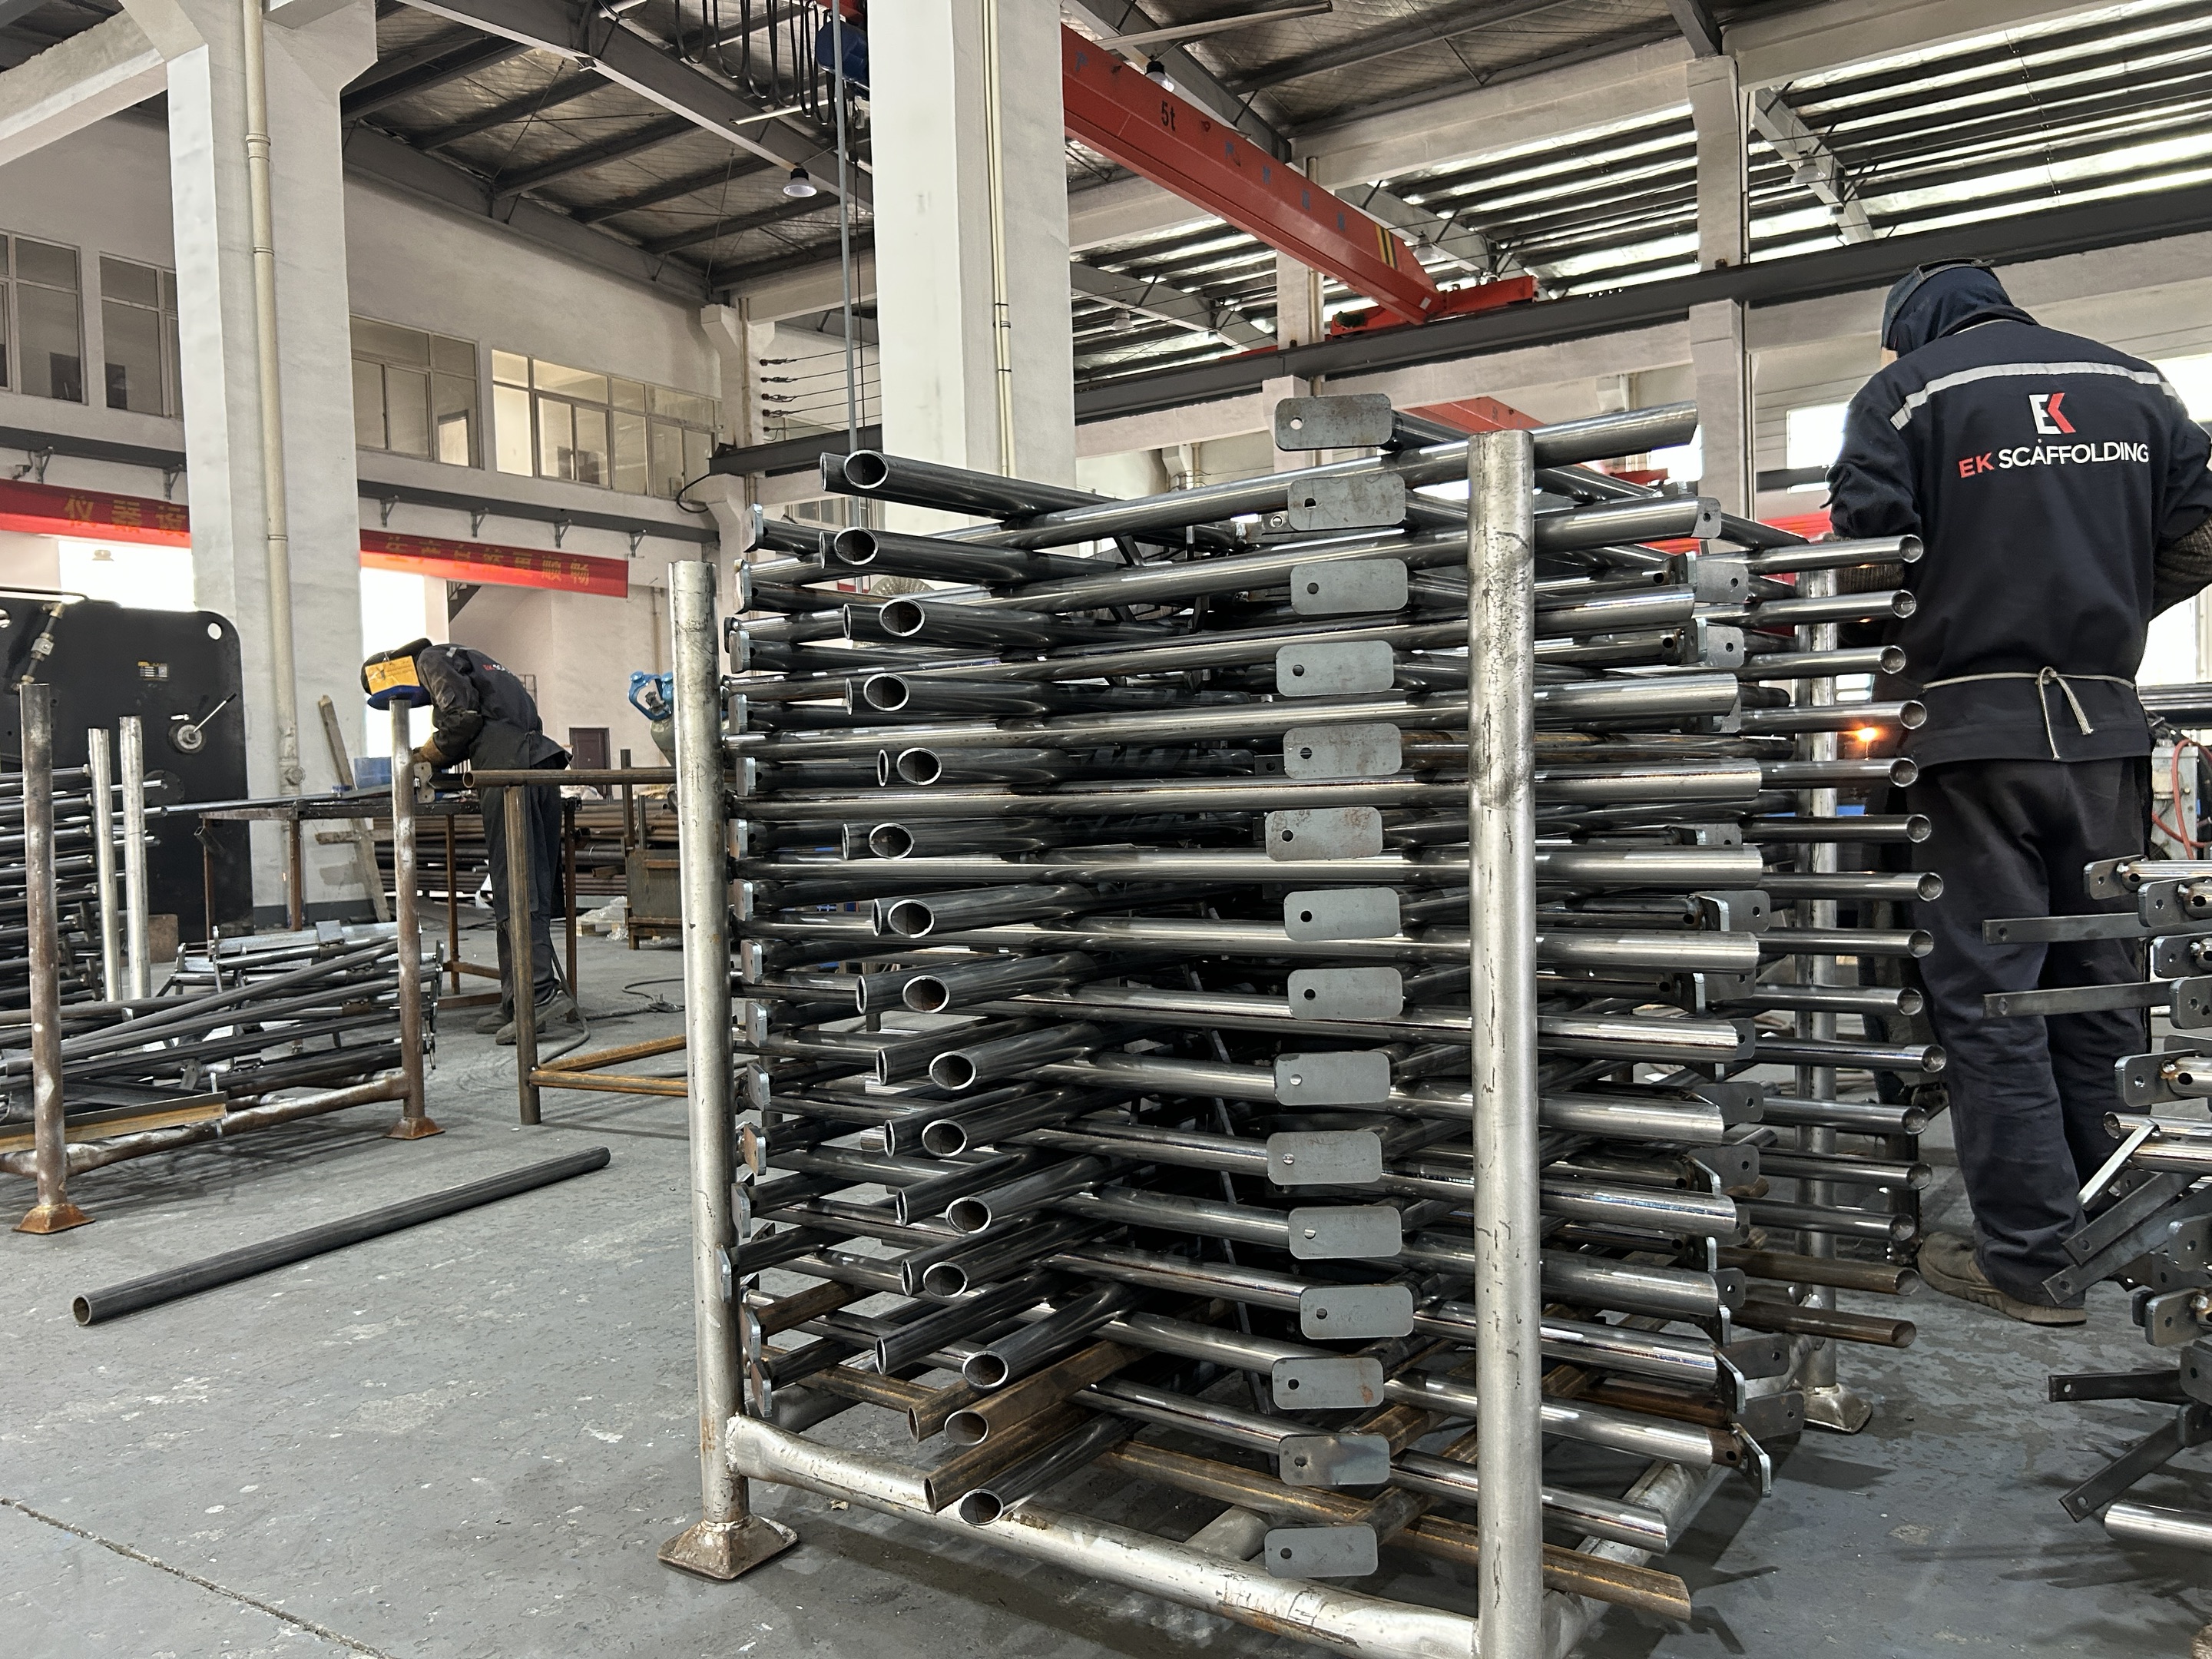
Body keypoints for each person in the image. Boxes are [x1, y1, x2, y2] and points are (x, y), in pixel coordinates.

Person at [1827, 260, 2212, 1323]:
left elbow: (1870, 561)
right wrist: (2106, 600)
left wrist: (1917, 627)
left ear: (1913, 327)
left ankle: (2032, 1262)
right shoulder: (2138, 386)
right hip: (2101, 735)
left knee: (1991, 996)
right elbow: (2203, 533)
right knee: (2096, 978)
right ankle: (2125, 1232)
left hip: (1969, 736)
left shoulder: (1907, 394)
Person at [363, 639, 577, 1043]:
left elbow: (461, 717)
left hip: (509, 772)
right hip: (535, 764)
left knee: (518, 888)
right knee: (522, 887)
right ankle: (517, 1001)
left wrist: (423, 755)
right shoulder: (468, 657)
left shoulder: (430, 659)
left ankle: (538, 998)